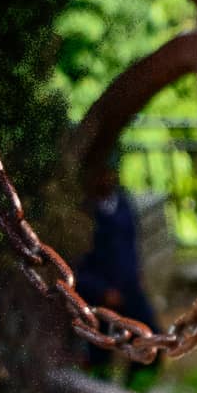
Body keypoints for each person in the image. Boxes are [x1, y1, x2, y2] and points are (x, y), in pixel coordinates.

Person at [75, 153, 158, 378]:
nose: (106, 178)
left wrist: (137, 273)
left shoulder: (123, 203)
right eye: (100, 175)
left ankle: (141, 379)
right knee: (101, 344)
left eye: (109, 173)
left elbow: (132, 242)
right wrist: (101, 290)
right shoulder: (85, 215)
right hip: (101, 290)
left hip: (129, 282)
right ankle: (100, 384)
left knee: (148, 332)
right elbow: (78, 262)